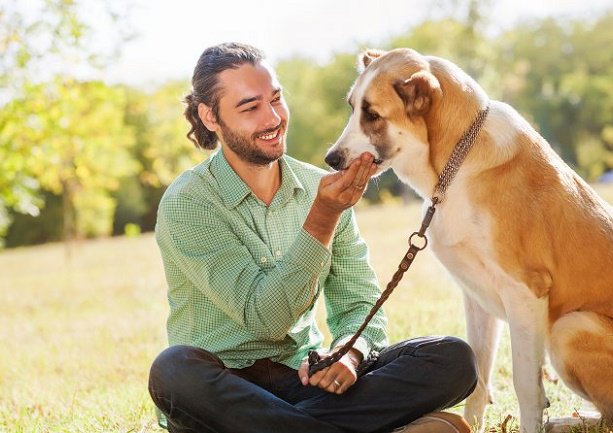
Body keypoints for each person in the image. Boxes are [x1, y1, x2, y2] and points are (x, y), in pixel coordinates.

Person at [148, 42, 478, 433]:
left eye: (276, 99)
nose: (273, 118)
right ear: (210, 117)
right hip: (225, 395)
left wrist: (350, 352)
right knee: (173, 371)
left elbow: (358, 302)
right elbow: (264, 319)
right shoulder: (189, 203)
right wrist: (322, 217)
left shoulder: (316, 185)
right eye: (250, 108)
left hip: (304, 384)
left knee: (452, 359)